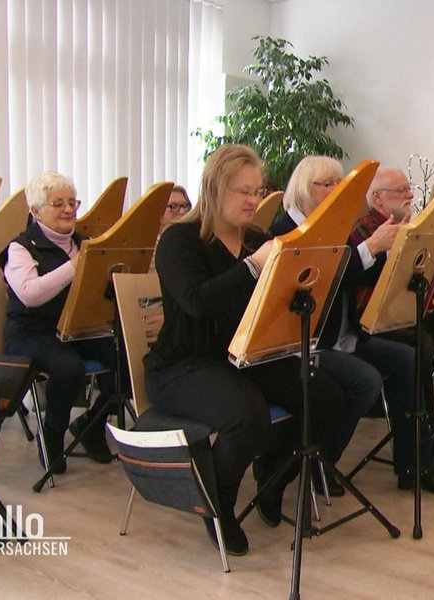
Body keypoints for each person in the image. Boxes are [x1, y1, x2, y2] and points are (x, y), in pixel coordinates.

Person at [146, 145, 346, 554]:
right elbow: (198, 303)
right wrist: (255, 265)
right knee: (247, 414)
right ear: (215, 188)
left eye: (258, 191)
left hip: (240, 359)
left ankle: (272, 479)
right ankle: (218, 506)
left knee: (324, 398)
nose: (254, 201)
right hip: (182, 365)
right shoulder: (179, 240)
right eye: (244, 192)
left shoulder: (256, 237)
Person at [271, 156, 434, 494]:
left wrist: (398, 249)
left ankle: (413, 465)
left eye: (338, 184)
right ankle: (322, 463)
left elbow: (363, 276)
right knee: (367, 379)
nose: (336, 191)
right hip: (309, 343)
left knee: (409, 358)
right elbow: (321, 280)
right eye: (327, 184)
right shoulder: (283, 231)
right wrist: (371, 247)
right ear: (304, 188)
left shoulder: (332, 225)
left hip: (345, 334)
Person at [352, 167, 434, 449]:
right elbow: (365, 289)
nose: (410, 194)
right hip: (372, 322)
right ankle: (421, 443)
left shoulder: (406, 226)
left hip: (405, 316)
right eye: (401, 190)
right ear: (377, 198)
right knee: (420, 343)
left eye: (408, 188)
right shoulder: (364, 230)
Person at [0, 171, 118, 472]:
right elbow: (30, 295)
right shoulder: (20, 247)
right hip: (31, 332)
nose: (69, 210)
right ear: (36, 212)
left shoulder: (86, 242)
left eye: (72, 202)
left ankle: (91, 424)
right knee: (68, 368)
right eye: (58, 204)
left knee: (127, 357)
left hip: (76, 328)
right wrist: (75, 265)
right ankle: (52, 434)